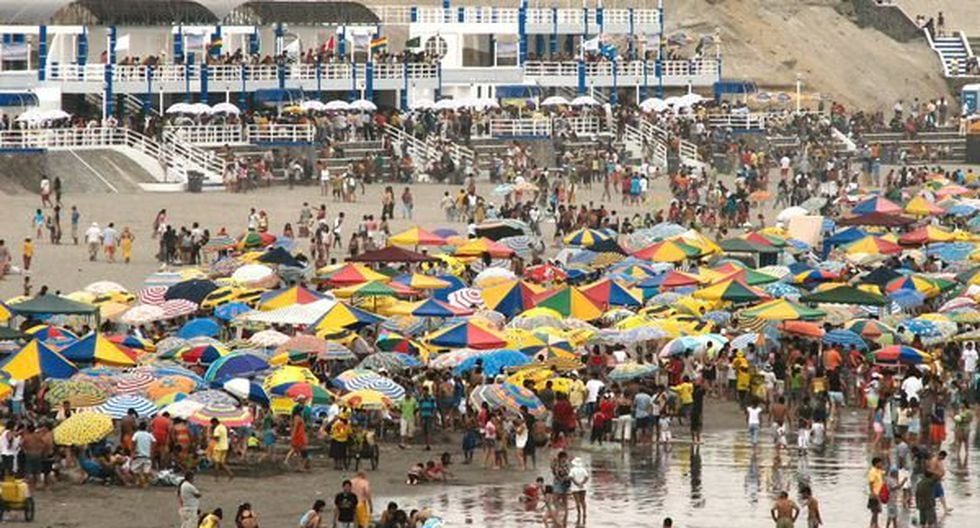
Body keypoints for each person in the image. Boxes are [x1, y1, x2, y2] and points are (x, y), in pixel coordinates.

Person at [131, 421, 155, 488]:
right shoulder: (149, 435)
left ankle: (139, 480)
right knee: (146, 470)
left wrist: (132, 452)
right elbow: (154, 442)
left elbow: (133, 442)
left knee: (134, 469)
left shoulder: (136, 434)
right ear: (146, 427)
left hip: (138, 455)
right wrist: (151, 451)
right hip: (147, 455)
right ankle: (145, 483)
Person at [569, 456, 590, 524]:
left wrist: (577, 484)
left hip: (575, 488)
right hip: (583, 487)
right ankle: (584, 513)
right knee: (583, 501)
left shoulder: (572, 470)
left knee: (577, 501)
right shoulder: (583, 469)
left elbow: (571, 478)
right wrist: (582, 483)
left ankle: (579, 513)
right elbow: (587, 477)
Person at [867, 456, 885, 528]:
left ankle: (876, 525)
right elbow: (871, 483)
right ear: (876, 463)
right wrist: (873, 493)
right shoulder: (872, 472)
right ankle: (872, 525)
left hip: (879, 494)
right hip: (875, 495)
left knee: (877, 512)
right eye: (880, 463)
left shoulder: (879, 471)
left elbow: (884, 473)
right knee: (874, 512)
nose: (881, 464)